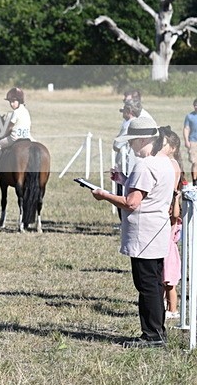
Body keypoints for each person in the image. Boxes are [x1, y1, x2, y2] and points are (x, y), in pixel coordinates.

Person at [91, 116, 176, 348]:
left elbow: (132, 202)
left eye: (131, 141)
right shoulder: (164, 162)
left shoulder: (145, 165)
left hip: (143, 234)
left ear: (141, 140)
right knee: (154, 284)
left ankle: (152, 336)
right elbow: (147, 191)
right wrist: (124, 179)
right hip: (157, 232)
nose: (129, 145)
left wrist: (104, 195)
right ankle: (157, 331)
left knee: (146, 285)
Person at [152, 127, 185, 321]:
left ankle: (172, 309)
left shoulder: (172, 165)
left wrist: (173, 201)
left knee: (169, 279)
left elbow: (175, 209)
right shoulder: (167, 163)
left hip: (169, 222)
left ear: (171, 148)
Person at [0, 87, 33, 174]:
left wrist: (3, 134)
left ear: (19, 100)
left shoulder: (16, 112)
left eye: (13, 101)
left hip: (15, 138)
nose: (11, 104)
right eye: (10, 102)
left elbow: (10, 126)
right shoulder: (26, 111)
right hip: (28, 137)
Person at [183, 97, 197, 186]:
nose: (196, 107)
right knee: (195, 162)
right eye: (195, 105)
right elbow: (186, 129)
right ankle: (195, 181)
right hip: (193, 141)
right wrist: (186, 140)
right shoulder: (189, 116)